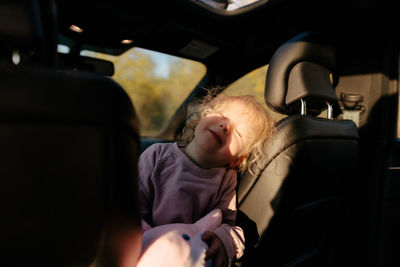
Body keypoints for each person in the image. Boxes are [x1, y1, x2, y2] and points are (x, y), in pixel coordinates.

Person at [138, 93, 274, 266]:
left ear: (238, 159)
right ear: (204, 115)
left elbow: (225, 224)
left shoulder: (226, 180)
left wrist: (224, 241)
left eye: (239, 134)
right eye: (223, 117)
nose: (226, 126)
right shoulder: (157, 155)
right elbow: (128, 209)